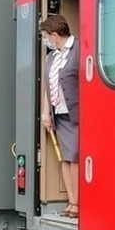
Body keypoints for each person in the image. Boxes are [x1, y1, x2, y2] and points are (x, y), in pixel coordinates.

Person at [40, 14, 79, 219]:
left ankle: (78, 202)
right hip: (60, 115)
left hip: (78, 114)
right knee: (65, 158)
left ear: (55, 35)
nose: (45, 40)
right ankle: (72, 201)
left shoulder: (79, 50)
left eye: (46, 36)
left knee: (75, 157)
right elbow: (47, 87)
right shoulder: (51, 57)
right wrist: (46, 112)